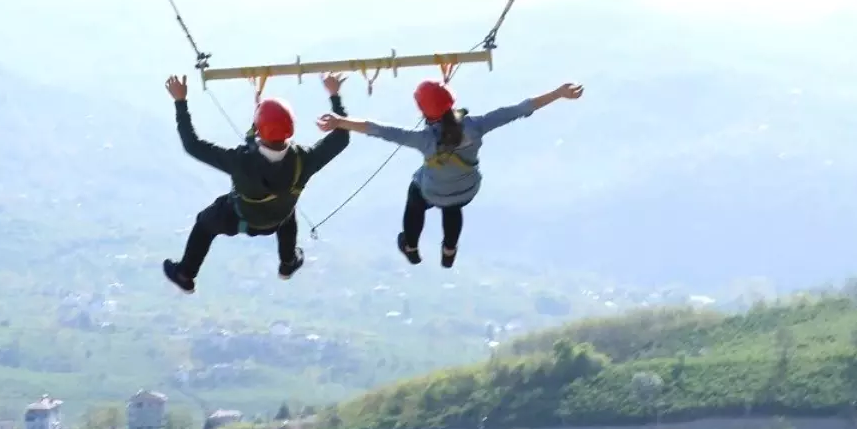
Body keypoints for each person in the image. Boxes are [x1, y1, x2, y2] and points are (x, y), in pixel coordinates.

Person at [317, 79, 583, 267]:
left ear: (423, 111)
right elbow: (520, 108)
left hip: (433, 191)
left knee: (416, 195)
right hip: (467, 189)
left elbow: (377, 128)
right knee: (453, 205)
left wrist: (340, 122)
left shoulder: (424, 140)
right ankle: (449, 249)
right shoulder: (476, 126)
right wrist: (559, 93)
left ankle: (410, 245)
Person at [162, 72, 351, 293]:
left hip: (238, 217)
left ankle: (186, 274)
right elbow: (341, 137)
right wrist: (335, 95)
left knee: (204, 224)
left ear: (260, 130)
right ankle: (288, 263)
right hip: (277, 219)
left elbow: (193, 145)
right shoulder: (304, 161)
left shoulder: (241, 161)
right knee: (288, 206)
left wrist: (180, 101)